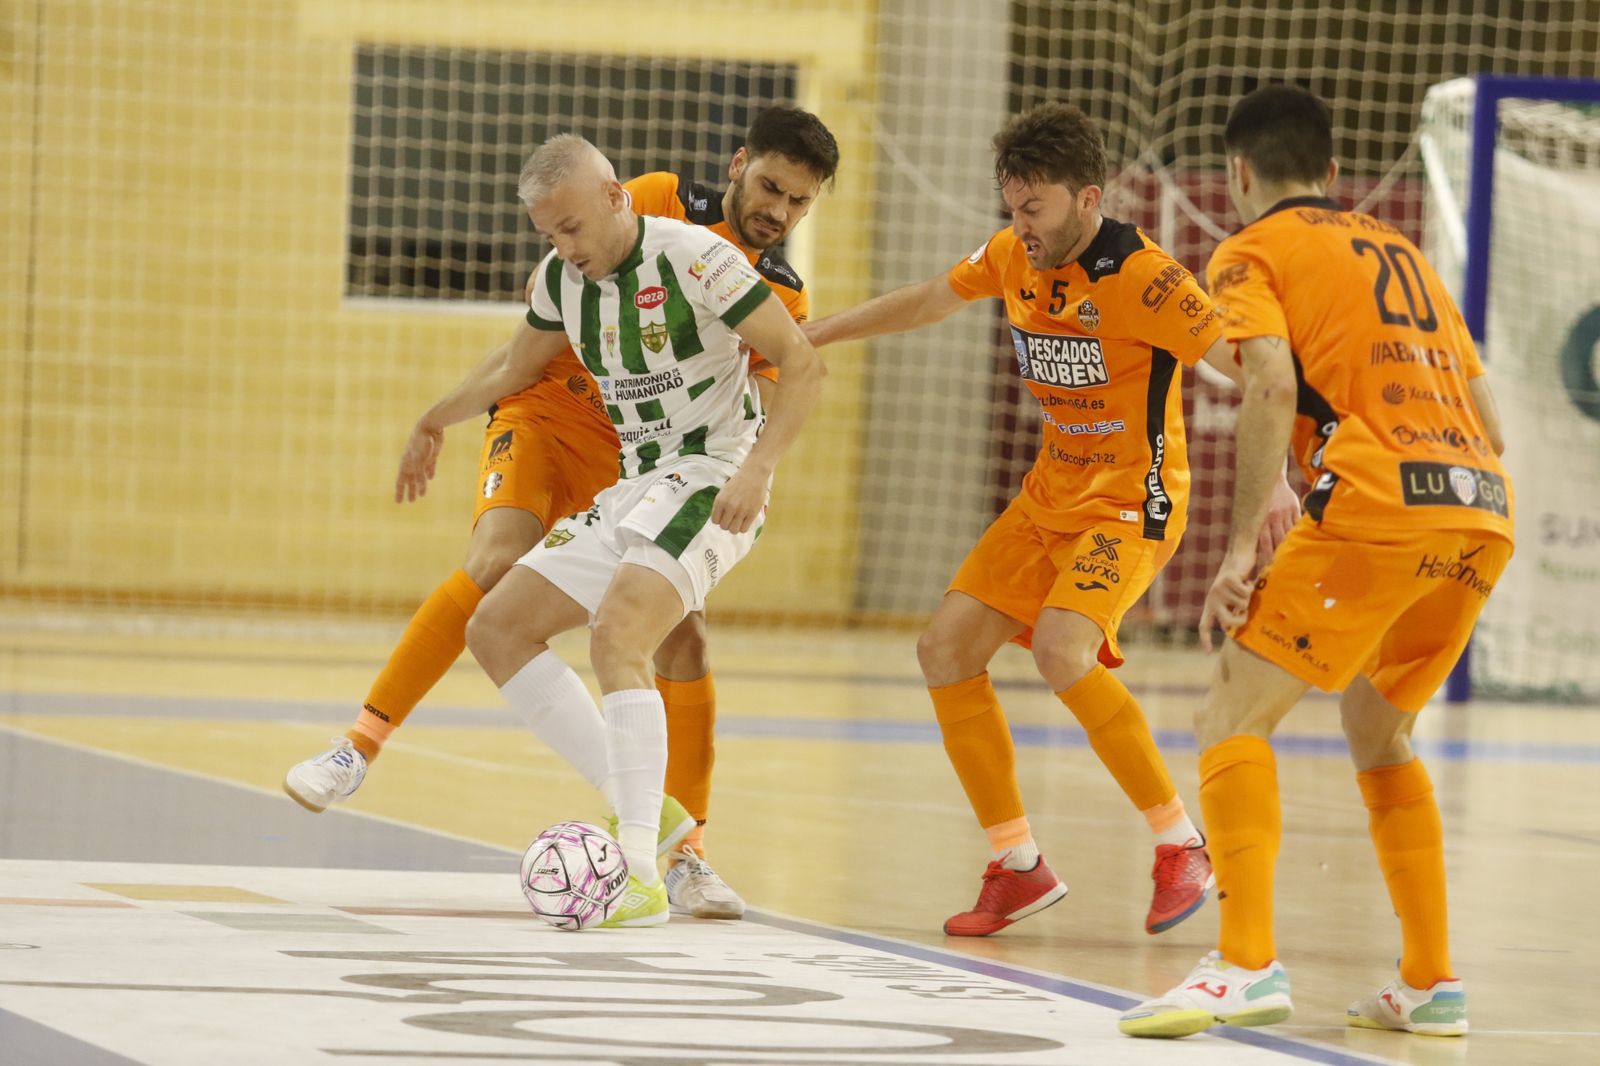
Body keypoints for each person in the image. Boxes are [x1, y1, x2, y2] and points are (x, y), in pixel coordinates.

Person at [283, 107, 839, 920]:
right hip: (576, 430)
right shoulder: (602, 239)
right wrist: (436, 415)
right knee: (496, 606)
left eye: (799, 202)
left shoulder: (726, 269)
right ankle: (365, 746)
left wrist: (753, 467)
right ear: (737, 165)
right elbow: (518, 360)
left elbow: (792, 372)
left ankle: (663, 861)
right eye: (770, 188)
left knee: (642, 630)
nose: (780, 211)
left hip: (682, 468)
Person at [805, 101, 1297, 938]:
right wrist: (811, 334)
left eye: (1034, 207)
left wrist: (1280, 469)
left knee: (1065, 649)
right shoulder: (1012, 257)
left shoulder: (1146, 277)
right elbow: (928, 299)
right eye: (1010, 205)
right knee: (945, 648)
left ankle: (1182, 845)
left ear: (1089, 198)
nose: (1018, 223)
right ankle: (1017, 864)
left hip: (1133, 495)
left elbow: (1244, 368)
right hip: (1049, 494)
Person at [1119, 85, 1511, 1039]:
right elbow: (1486, 409)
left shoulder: (1251, 249)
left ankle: (1245, 964)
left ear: (1241, 174)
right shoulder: (1407, 252)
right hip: (1480, 512)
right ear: (1335, 174)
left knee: (1228, 713)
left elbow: (1267, 380)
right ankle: (1431, 984)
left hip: (1379, 503)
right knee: (1381, 730)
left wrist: (1243, 539)